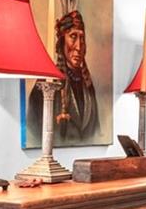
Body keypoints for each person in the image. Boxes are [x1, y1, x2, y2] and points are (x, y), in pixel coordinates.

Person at [28, 9, 101, 144]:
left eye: (82, 38)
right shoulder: (45, 85)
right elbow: (33, 132)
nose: (79, 46)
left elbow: (96, 131)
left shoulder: (88, 86)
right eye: (73, 36)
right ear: (62, 42)